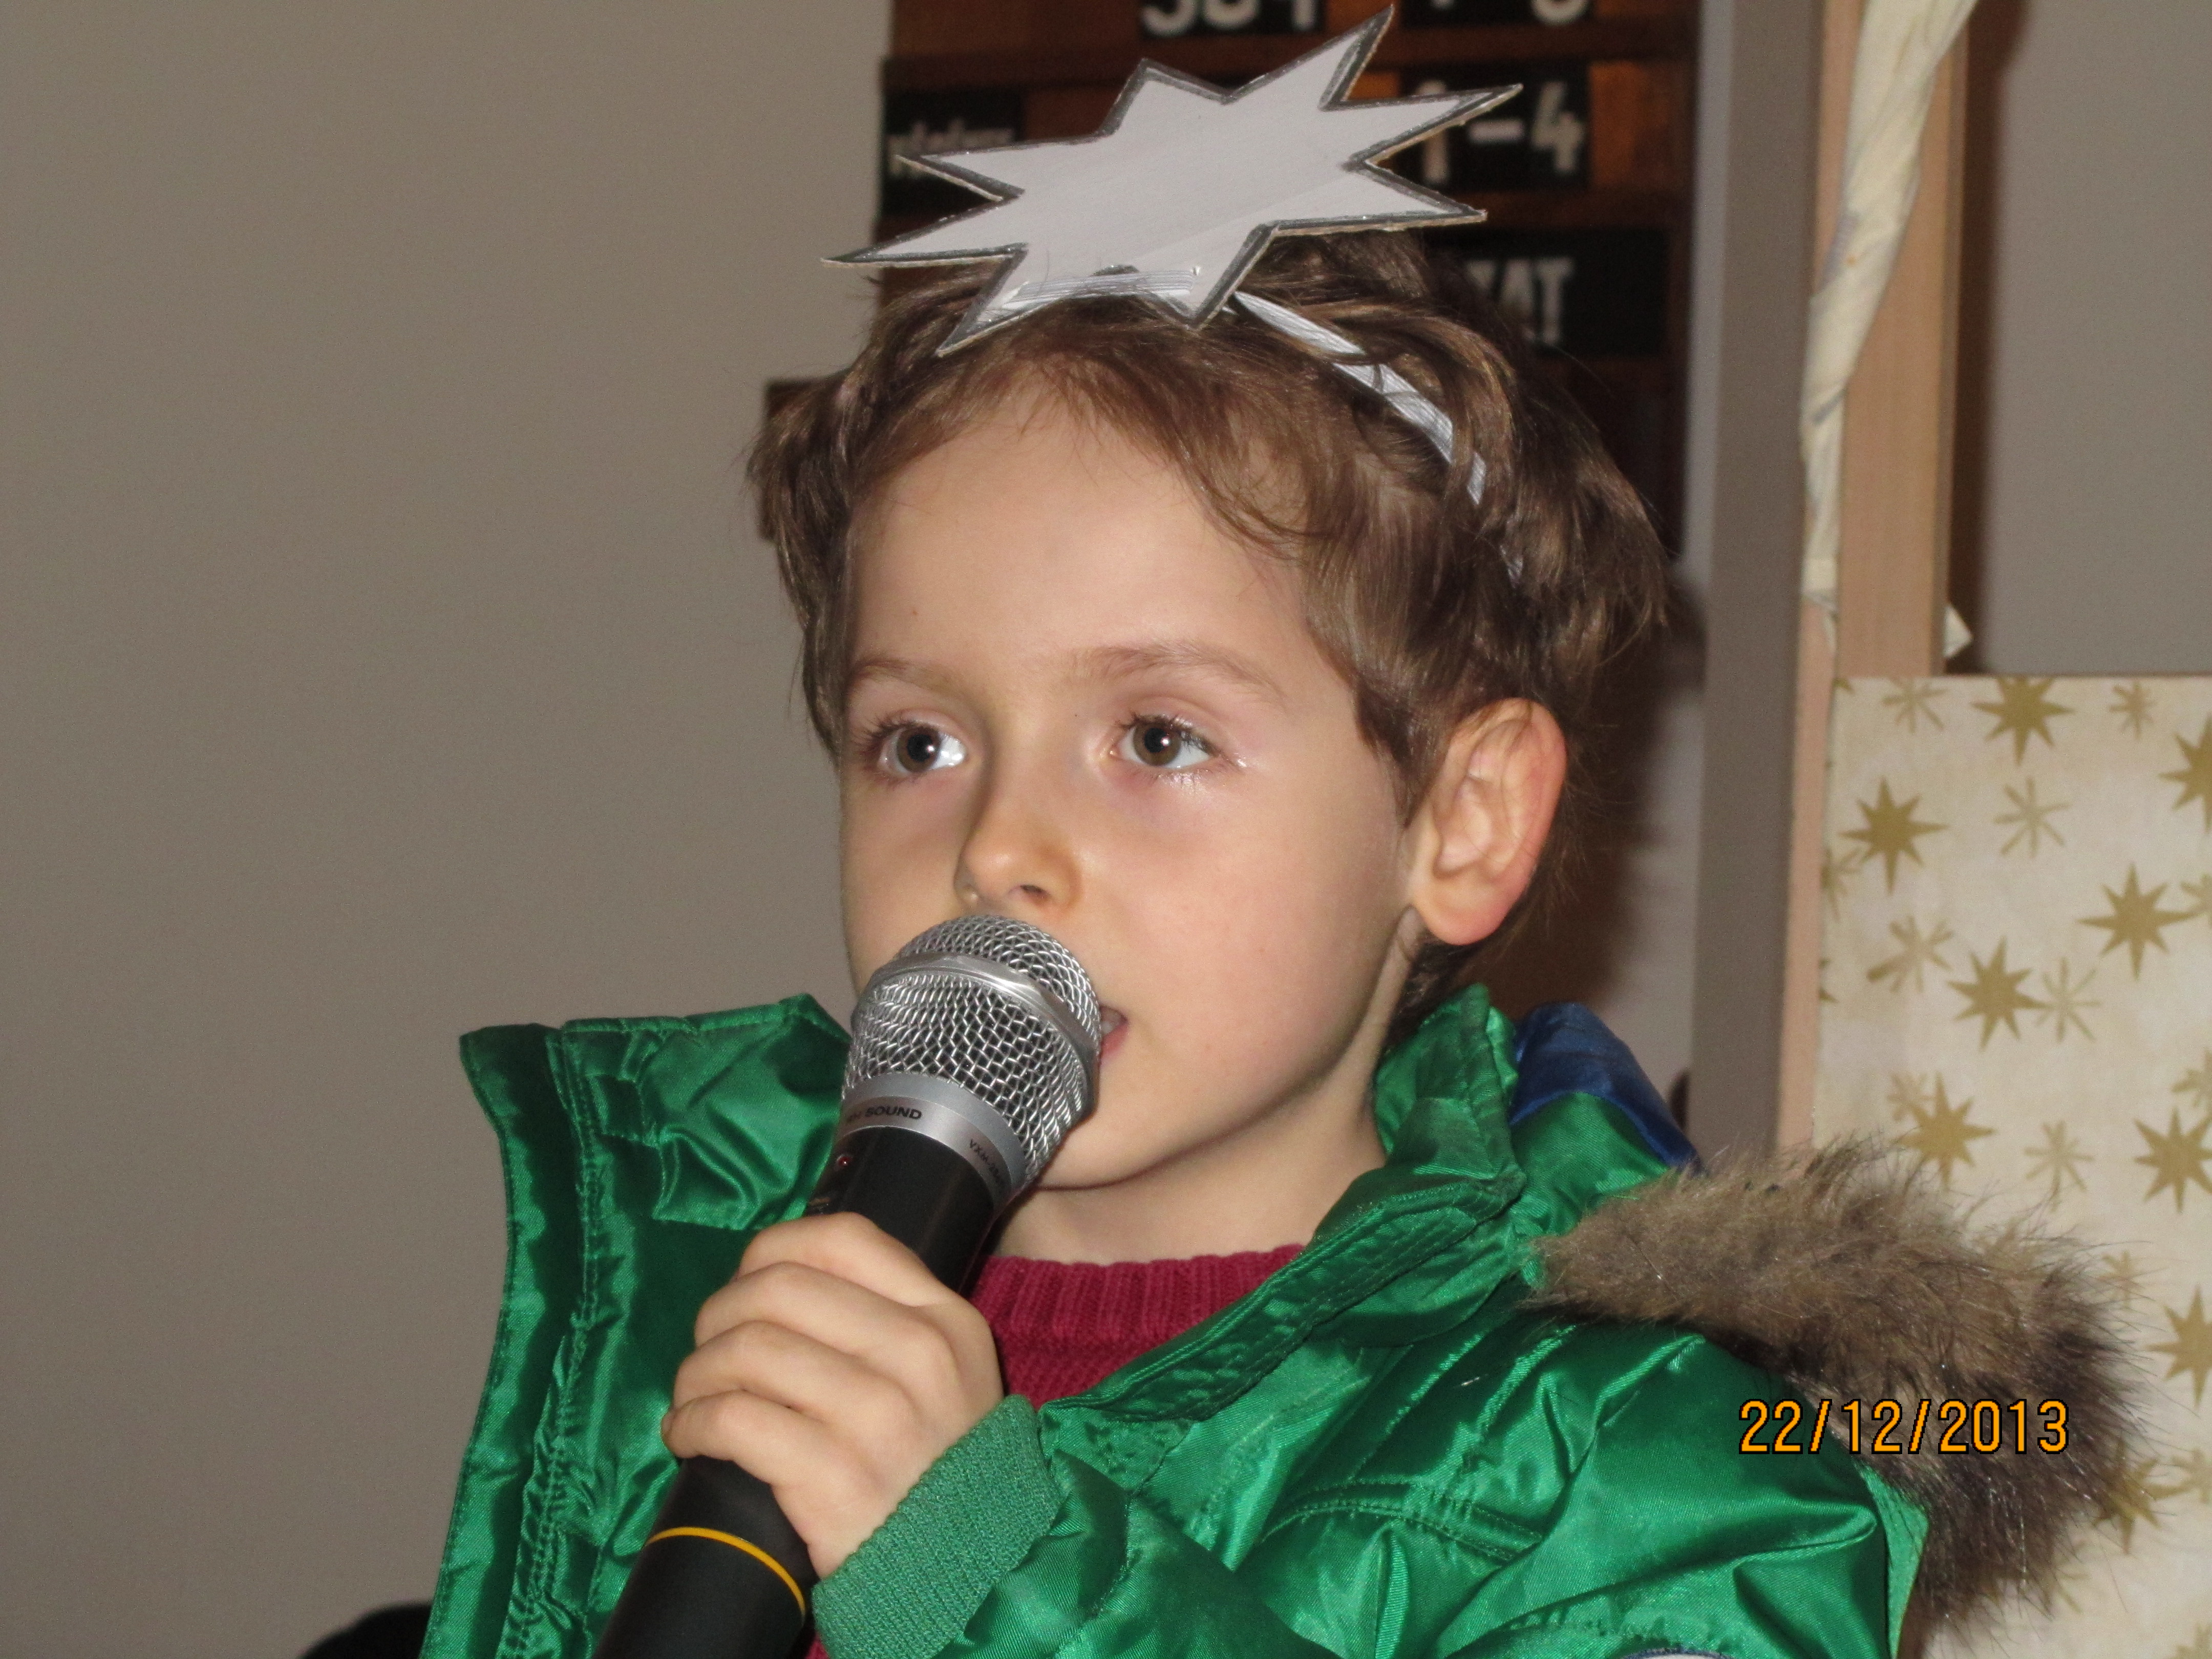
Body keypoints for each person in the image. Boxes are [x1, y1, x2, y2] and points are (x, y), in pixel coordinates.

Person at [421, 31, 2129, 1659]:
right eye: (919, 743)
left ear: (1459, 822)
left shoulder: (1642, 1461)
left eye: (1158, 738)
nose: (999, 848)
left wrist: (989, 1571)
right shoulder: (691, 1298)